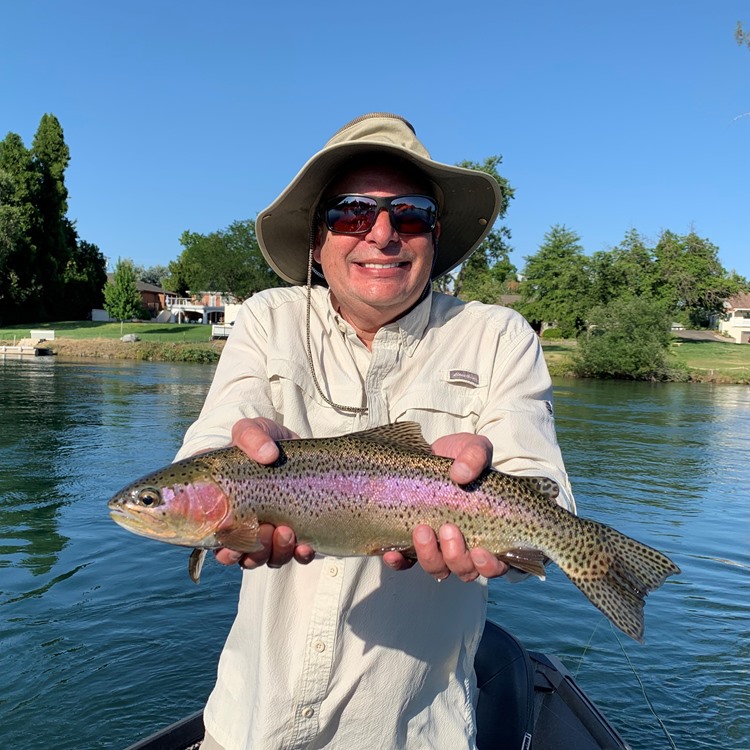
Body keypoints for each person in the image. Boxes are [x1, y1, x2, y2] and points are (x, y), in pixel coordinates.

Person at [176, 112, 575, 750]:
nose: (382, 234)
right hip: (247, 726)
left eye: (409, 214)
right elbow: (206, 450)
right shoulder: (263, 320)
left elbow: (547, 493)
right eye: (352, 214)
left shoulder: (499, 334)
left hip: (412, 733)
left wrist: (500, 520)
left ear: (434, 236)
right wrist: (229, 459)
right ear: (316, 238)